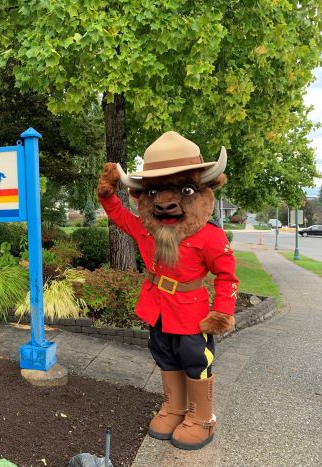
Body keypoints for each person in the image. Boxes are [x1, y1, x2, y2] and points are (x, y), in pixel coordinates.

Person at [96, 131, 238, 450]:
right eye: (155, 191)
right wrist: (107, 194)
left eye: (184, 189)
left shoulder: (210, 236)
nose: (164, 201)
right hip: (157, 307)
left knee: (194, 358)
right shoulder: (148, 230)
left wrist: (223, 312)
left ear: (202, 190)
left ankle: (202, 417)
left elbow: (227, 276)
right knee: (163, 353)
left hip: (191, 312)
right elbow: (118, 215)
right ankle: (175, 408)